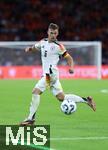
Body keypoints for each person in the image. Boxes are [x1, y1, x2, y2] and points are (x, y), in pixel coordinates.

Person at [20, 23, 96, 126]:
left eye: (55, 33)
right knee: (61, 97)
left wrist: (71, 67)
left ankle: (30, 119)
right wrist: (29, 49)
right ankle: (86, 100)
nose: (53, 35)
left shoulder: (59, 47)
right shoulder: (43, 42)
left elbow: (69, 58)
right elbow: (35, 47)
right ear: (48, 32)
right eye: (51, 33)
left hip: (50, 74)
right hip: (52, 76)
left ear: (57, 33)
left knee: (35, 92)